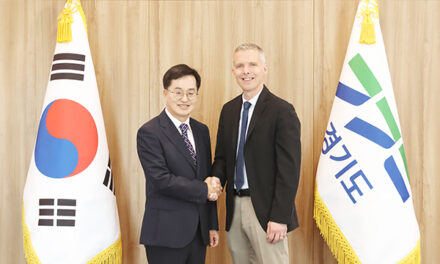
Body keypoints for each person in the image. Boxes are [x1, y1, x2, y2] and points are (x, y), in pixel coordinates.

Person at [211, 43, 301, 263]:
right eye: (240, 66)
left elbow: (289, 170)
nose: (246, 71)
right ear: (233, 72)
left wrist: (280, 217)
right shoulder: (229, 110)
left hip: (267, 210)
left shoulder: (282, 110)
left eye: (252, 64)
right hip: (235, 208)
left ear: (264, 68)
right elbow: (222, 157)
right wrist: (215, 179)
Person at [137, 64, 221, 264]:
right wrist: (203, 189)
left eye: (191, 93)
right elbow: (161, 180)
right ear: (165, 93)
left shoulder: (202, 131)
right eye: (178, 92)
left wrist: (211, 225)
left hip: (199, 233)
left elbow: (206, 177)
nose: (185, 99)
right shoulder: (150, 132)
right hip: (166, 234)